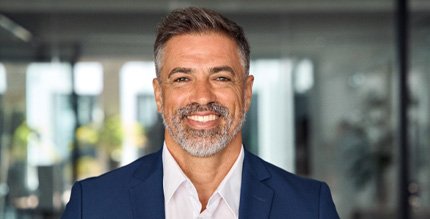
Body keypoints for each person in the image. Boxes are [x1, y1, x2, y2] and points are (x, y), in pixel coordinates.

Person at [62, 7, 339, 219]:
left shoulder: (309, 206)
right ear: (159, 94)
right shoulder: (93, 205)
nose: (203, 97)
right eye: (182, 78)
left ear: (246, 92)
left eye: (220, 78)